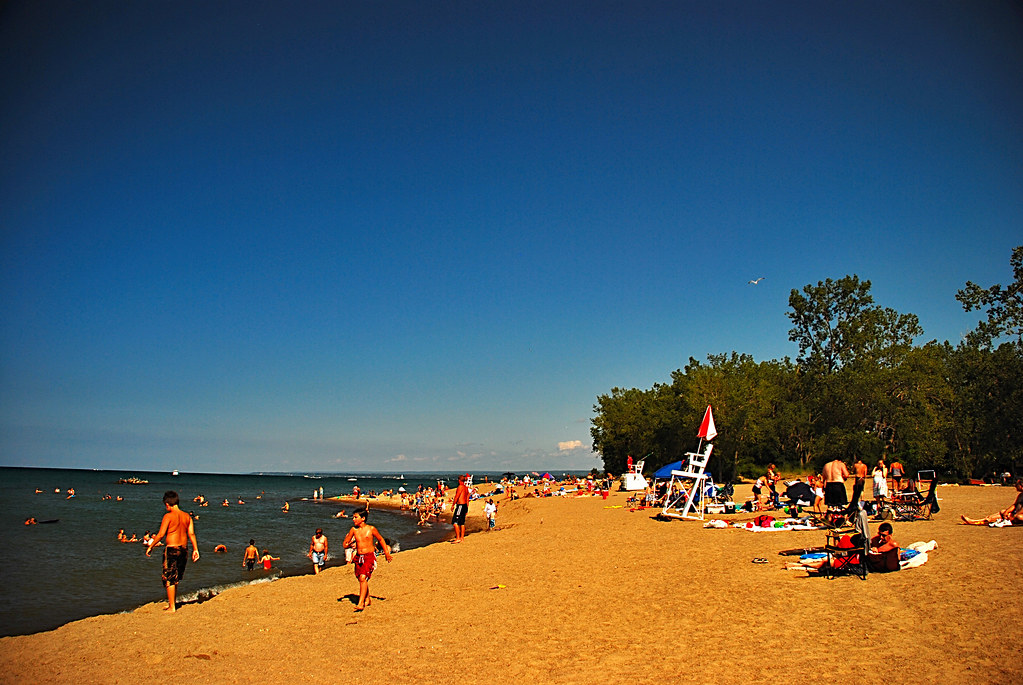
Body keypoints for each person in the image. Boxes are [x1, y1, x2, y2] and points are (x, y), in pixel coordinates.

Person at [145, 490, 199, 613]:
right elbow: (191, 533)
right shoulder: (187, 516)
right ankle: (172, 603)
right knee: (176, 577)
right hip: (184, 549)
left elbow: (160, 534)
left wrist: (151, 546)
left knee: (169, 578)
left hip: (172, 549)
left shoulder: (168, 516)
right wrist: (196, 549)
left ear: (167, 504)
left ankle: (172, 607)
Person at [342, 508, 392, 612]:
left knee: (363, 578)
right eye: (353, 517)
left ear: (363, 518)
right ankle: (367, 598)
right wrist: (350, 544)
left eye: (356, 517)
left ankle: (361, 603)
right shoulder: (353, 530)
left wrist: (387, 553)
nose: (353, 519)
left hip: (369, 556)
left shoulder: (371, 529)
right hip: (358, 557)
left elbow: (381, 539)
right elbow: (345, 544)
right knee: (361, 578)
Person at [450, 474, 470, 544]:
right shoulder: (466, 488)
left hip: (460, 505)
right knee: (462, 523)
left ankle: (458, 538)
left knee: (455, 522)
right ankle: (462, 538)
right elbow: (467, 498)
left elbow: (457, 496)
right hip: (464, 505)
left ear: (459, 480)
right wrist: (467, 507)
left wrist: (453, 505)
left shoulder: (460, 487)